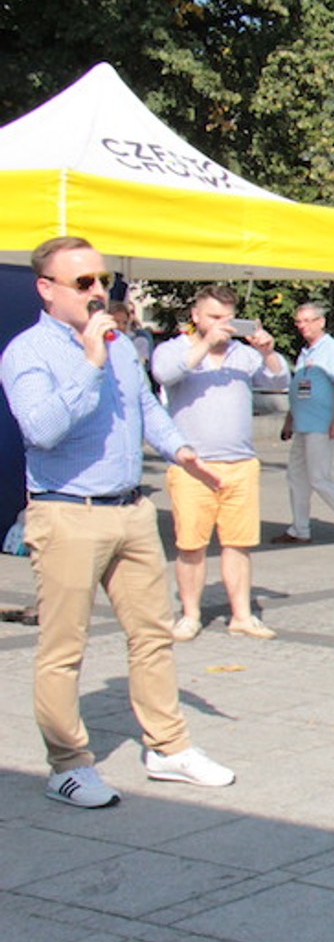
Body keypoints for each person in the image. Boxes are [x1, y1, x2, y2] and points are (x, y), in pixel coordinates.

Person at [0, 235, 237, 807]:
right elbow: (42, 430)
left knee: (152, 634)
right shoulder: (29, 352)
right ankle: (67, 764)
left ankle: (168, 746)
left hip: (130, 509)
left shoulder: (122, 345)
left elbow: (147, 409)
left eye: (103, 280)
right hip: (67, 512)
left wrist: (182, 452)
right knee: (64, 648)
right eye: (84, 283)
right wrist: (88, 362)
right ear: (47, 289)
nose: (99, 291)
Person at [151, 285, 290, 640]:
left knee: (239, 543)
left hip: (241, 462)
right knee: (191, 545)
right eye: (213, 318)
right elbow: (164, 375)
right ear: (196, 316)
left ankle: (242, 615)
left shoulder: (241, 355)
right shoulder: (176, 350)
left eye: (228, 319)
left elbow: (279, 380)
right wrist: (205, 343)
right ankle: (190, 614)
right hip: (193, 466)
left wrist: (269, 352)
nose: (222, 326)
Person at [274, 302, 334, 546]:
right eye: (299, 322)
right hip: (302, 424)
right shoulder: (306, 352)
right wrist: (289, 420)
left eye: (308, 321)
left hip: (321, 423)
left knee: (319, 476)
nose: (303, 326)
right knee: (296, 476)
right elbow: (298, 391)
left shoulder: (331, 349)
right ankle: (299, 528)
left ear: (321, 322)